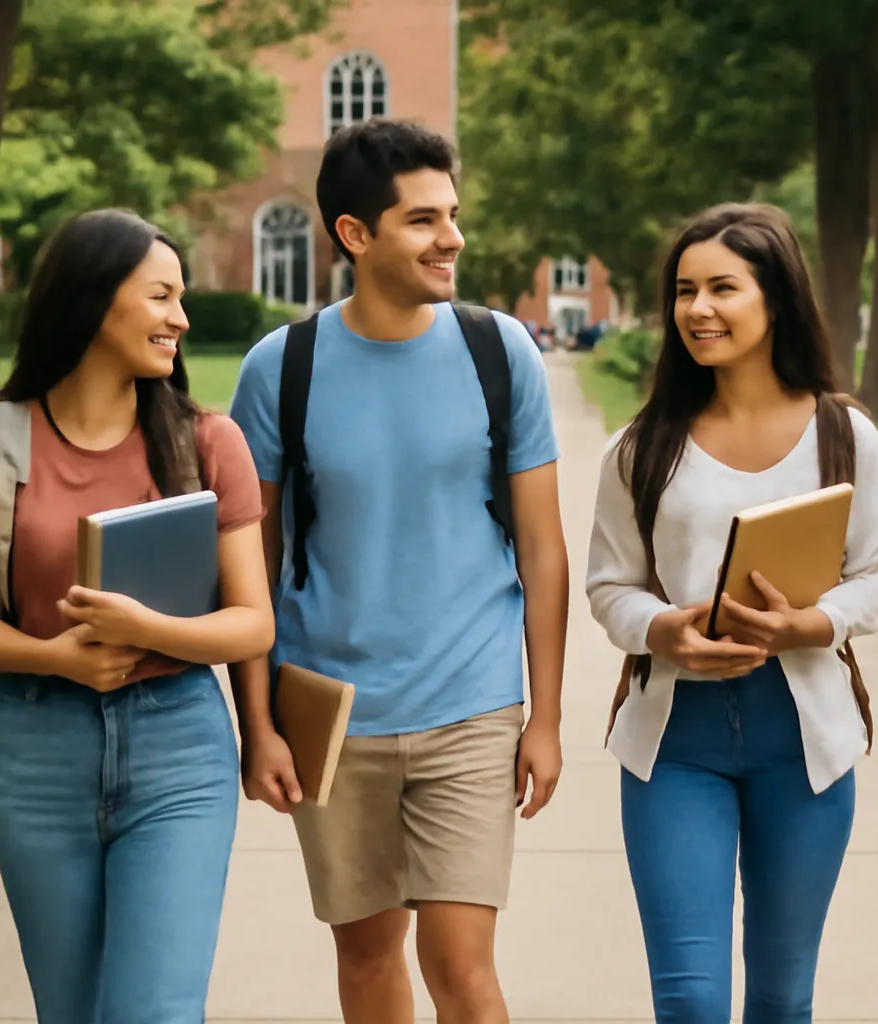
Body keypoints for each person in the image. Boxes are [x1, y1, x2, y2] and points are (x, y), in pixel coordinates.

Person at [226, 118, 568, 1024]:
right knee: (369, 954)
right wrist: (255, 722)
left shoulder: (502, 353)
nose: (451, 237)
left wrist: (548, 717)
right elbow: (249, 561)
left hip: (473, 704)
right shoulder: (279, 369)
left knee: (461, 966)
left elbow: (542, 548)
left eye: (451, 215)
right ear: (354, 235)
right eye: (422, 220)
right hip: (333, 715)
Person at [0, 208, 274, 1023]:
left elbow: (252, 622)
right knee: (73, 1012)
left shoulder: (208, 445)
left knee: (155, 1012)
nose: (180, 318)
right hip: (36, 748)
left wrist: (146, 631)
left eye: (181, 299)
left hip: (178, 750)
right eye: (160, 297)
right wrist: (58, 657)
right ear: (92, 301)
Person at [586, 203, 878, 1023]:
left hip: (802, 747)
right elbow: (609, 587)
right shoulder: (643, 446)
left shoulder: (845, 434)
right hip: (674, 746)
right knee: (690, 1002)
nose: (698, 309)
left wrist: (813, 625)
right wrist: (663, 629)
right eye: (685, 291)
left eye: (723, 287)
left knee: (781, 997)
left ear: (777, 298)